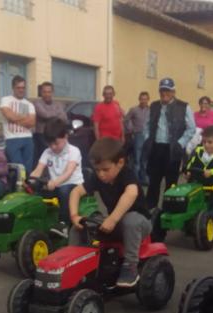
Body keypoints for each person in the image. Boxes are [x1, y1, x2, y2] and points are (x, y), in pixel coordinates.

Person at [69, 138, 150, 287]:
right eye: (97, 170)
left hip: (140, 224)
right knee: (79, 227)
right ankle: (75, 263)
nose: (101, 174)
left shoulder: (126, 174)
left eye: (105, 170)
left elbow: (131, 193)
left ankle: (130, 266)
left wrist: (112, 219)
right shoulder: (98, 178)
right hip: (116, 223)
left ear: (120, 163)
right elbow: (76, 191)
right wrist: (74, 216)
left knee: (130, 220)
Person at [144, 77, 196, 209]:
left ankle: (168, 209)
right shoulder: (154, 106)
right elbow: (147, 125)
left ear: (173, 92)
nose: (164, 93)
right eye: (162, 90)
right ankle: (150, 209)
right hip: (156, 148)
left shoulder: (184, 106)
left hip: (173, 149)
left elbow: (191, 128)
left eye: (167, 90)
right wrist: (147, 138)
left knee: (171, 182)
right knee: (153, 181)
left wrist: (180, 143)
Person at [30, 119, 83, 224]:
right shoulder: (47, 152)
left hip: (73, 184)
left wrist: (55, 183)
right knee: (37, 194)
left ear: (65, 136)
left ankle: (64, 223)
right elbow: (38, 169)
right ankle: (41, 222)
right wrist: (30, 180)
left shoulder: (74, 151)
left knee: (63, 191)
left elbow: (68, 173)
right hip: (55, 185)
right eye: (50, 144)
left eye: (56, 143)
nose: (53, 147)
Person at [185, 126, 213, 219]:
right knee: (189, 187)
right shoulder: (199, 151)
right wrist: (188, 171)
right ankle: (188, 206)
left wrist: (211, 171)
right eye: (204, 142)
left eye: (210, 142)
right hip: (199, 178)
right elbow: (191, 162)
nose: (206, 145)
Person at [0, 75, 36, 174]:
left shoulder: (29, 104)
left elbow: (32, 123)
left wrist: (15, 117)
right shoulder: (5, 100)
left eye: (23, 88)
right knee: (18, 168)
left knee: (28, 169)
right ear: (13, 88)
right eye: (18, 88)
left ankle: (26, 188)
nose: (21, 90)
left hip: (28, 138)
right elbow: (9, 116)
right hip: (12, 139)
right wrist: (25, 117)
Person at [33, 82, 67, 168]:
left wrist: (53, 116)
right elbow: (45, 114)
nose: (47, 94)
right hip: (41, 136)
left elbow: (64, 118)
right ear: (41, 92)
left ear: (52, 92)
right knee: (44, 160)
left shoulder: (58, 104)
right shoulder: (37, 103)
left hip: (56, 136)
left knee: (55, 159)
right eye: (44, 92)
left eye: (49, 92)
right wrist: (57, 115)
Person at [124, 91, 150, 184]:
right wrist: (131, 129)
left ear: (148, 100)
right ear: (139, 99)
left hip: (148, 137)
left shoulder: (150, 110)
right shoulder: (134, 110)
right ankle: (135, 180)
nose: (143, 101)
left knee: (145, 160)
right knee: (137, 160)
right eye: (142, 99)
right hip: (138, 135)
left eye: (145, 99)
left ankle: (144, 179)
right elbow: (126, 120)